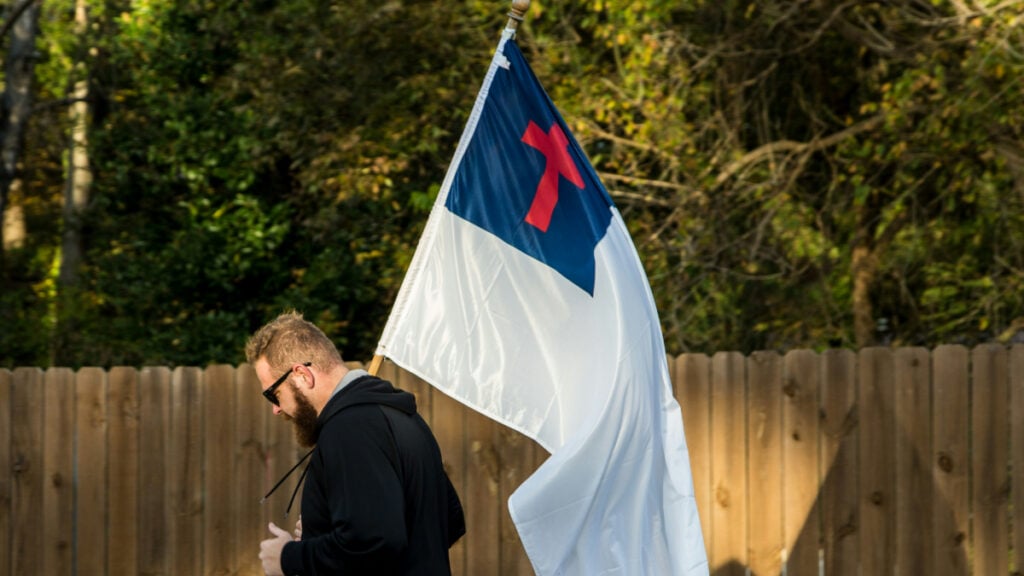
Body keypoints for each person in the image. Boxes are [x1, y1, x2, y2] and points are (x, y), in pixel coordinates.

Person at [246, 311, 465, 576]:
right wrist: (328, 533)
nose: (276, 409)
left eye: (273, 394)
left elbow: (372, 542)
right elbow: (448, 520)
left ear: (302, 375)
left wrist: (289, 557)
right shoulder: (404, 418)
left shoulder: (350, 428)